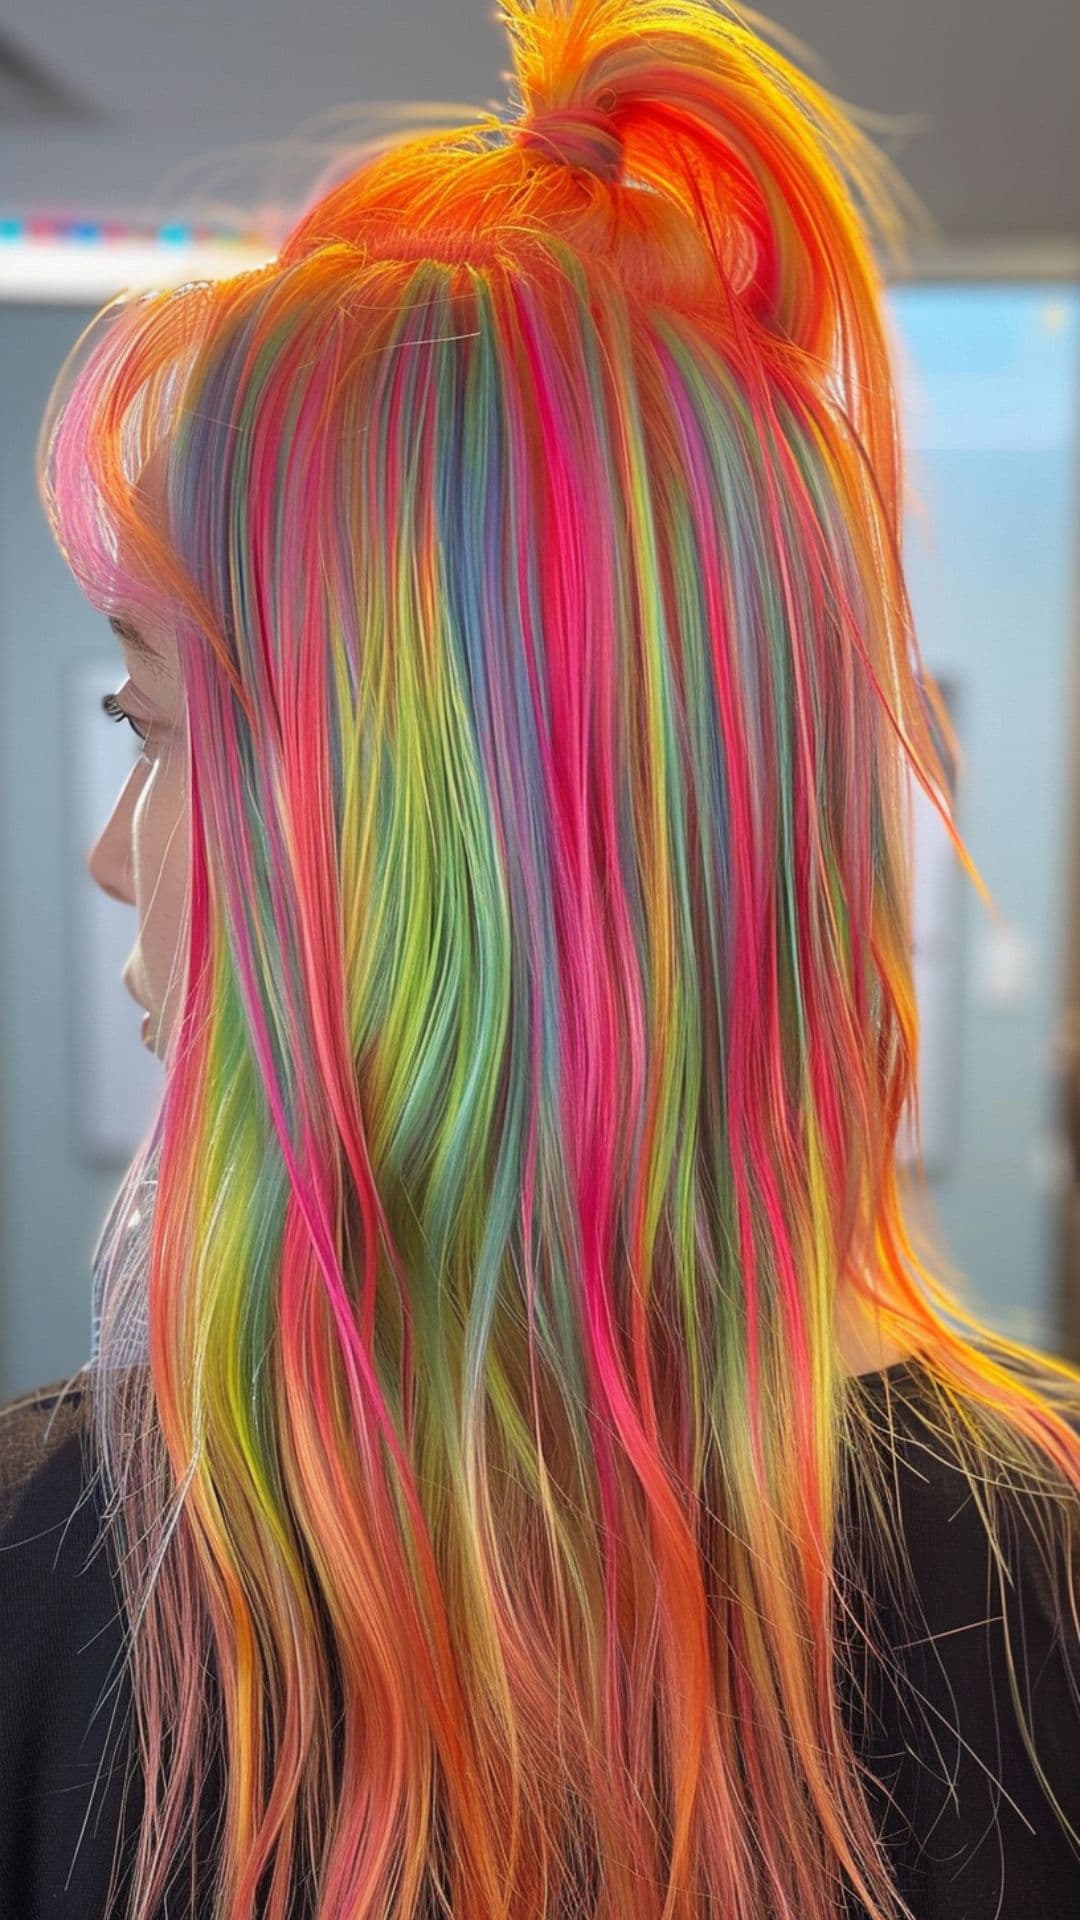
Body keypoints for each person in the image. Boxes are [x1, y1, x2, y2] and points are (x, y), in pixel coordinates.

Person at [2, 0, 1079, 1914]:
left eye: (158, 735)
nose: (110, 857)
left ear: (405, 840)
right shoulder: (1040, 1573)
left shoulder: (49, 1566)